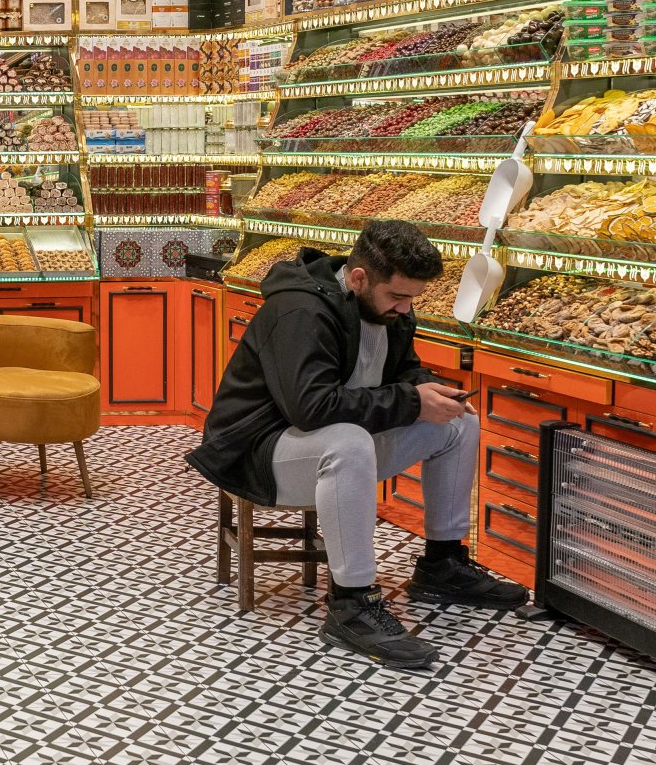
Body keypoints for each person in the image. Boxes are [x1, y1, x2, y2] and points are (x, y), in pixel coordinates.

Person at [186, 220, 525, 669]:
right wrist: (409, 400)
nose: (405, 309)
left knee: (459, 422)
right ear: (359, 277)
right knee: (346, 442)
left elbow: (403, 372)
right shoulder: (299, 311)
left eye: (412, 299)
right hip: (259, 451)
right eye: (397, 297)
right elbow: (311, 408)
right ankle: (352, 604)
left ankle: (443, 565)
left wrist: (428, 390)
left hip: (332, 445)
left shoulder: (389, 311)